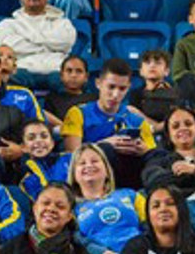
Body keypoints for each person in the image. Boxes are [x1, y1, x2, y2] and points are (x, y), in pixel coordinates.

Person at [61, 58, 156, 189]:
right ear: (98, 83)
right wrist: (102, 145)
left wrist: (141, 149)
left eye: (122, 88)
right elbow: (73, 155)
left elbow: (153, 155)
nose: (115, 94)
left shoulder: (137, 120)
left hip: (131, 176)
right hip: (93, 179)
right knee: (106, 150)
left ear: (128, 88)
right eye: (111, 87)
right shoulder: (78, 113)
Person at [0, 0, 77, 91]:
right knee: (8, 78)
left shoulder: (63, 23)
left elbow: (66, 43)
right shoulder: (6, 25)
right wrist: (49, 47)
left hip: (56, 71)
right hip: (21, 71)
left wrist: (29, 41)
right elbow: (12, 49)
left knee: (71, 80)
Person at [68, 143, 146, 254]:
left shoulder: (132, 196)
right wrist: (103, 253)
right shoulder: (72, 209)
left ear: (107, 170)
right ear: (74, 175)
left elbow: (150, 226)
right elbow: (79, 239)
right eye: (82, 163)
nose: (89, 165)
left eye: (94, 161)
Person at [142, 106, 195, 197]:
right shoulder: (159, 157)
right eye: (175, 126)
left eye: (188, 124)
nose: (182, 128)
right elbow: (153, 181)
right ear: (169, 135)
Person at [16, 119, 73, 202]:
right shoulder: (27, 182)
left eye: (44, 136)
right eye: (31, 138)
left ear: (52, 143)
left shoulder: (69, 159)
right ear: (23, 147)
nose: (39, 141)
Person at [129, 49, 178, 134]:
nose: (152, 66)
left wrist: (156, 127)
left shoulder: (177, 93)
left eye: (158, 63)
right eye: (148, 63)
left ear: (166, 71)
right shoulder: (135, 94)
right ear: (141, 71)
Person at [43, 55, 96, 125]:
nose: (73, 75)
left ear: (86, 77)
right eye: (69, 71)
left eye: (79, 71)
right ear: (61, 76)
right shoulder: (52, 99)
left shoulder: (94, 99)